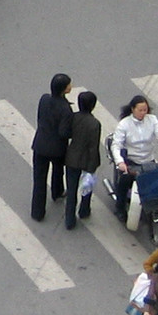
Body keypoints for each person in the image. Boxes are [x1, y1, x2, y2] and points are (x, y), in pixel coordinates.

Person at [110, 94, 158, 222]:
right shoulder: (124, 124)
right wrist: (120, 162)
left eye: (145, 110)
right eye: (140, 110)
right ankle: (120, 208)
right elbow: (116, 145)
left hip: (148, 161)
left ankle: (157, 208)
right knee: (124, 182)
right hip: (131, 162)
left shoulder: (152, 120)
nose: (143, 113)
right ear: (132, 109)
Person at [30, 73, 73, 221]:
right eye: (69, 84)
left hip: (40, 145)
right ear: (64, 89)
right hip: (57, 149)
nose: (71, 86)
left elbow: (40, 118)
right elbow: (63, 132)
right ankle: (57, 192)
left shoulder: (44, 99)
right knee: (57, 171)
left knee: (39, 179)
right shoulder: (65, 109)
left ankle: (37, 212)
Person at [61, 89, 101, 229]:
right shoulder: (94, 123)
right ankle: (84, 210)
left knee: (71, 191)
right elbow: (93, 146)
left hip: (71, 157)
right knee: (87, 187)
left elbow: (65, 133)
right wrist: (92, 166)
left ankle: (69, 220)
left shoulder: (73, 117)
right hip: (86, 161)